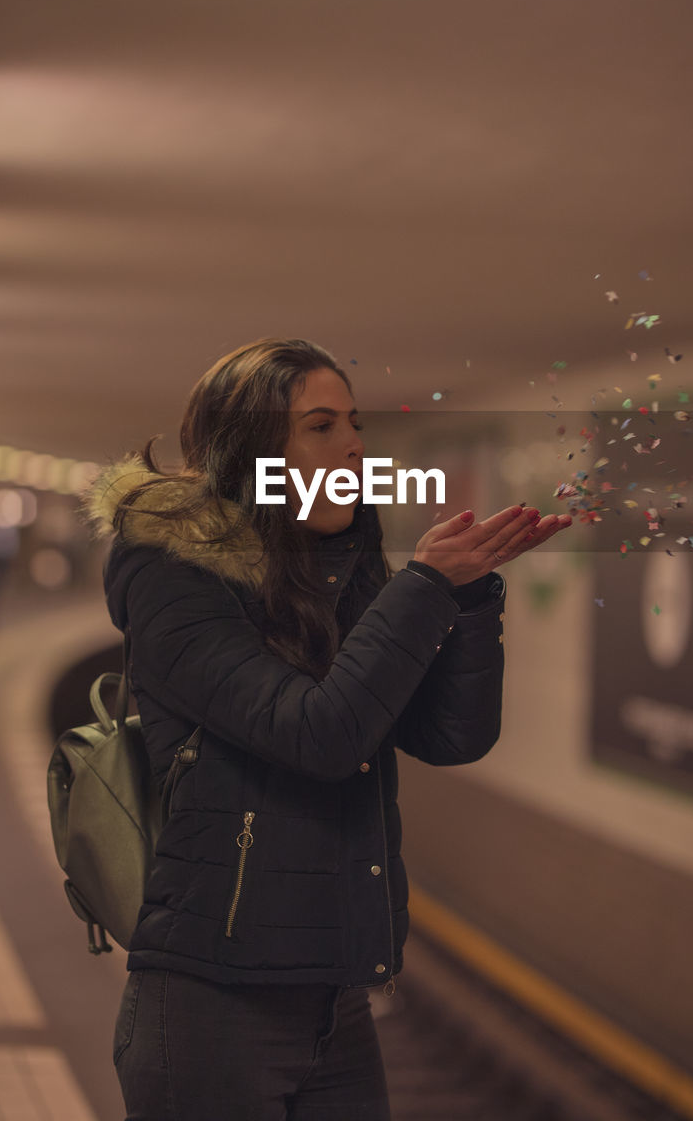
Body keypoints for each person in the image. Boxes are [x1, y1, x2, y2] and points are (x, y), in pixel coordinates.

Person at [80, 337, 572, 1121]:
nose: (352, 444)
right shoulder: (171, 575)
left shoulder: (336, 566)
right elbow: (319, 733)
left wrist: (469, 600)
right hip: (211, 1003)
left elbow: (451, 737)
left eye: (352, 423)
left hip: (331, 1003)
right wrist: (421, 587)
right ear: (250, 451)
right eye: (319, 426)